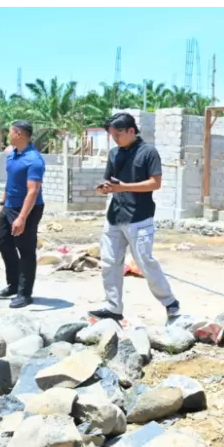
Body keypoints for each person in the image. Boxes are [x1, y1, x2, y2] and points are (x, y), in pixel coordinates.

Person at [88, 112, 180, 323]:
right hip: (114, 216)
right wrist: (105, 188)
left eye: (118, 134)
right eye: (112, 135)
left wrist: (123, 187)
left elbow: (155, 183)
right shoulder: (113, 154)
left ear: (131, 130)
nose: (115, 139)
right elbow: (110, 181)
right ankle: (113, 307)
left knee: (145, 262)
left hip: (139, 218)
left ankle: (170, 303)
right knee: (110, 263)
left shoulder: (148, 152)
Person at [0, 120, 45, 309]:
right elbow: (10, 182)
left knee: (25, 250)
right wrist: (3, 202)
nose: (8, 136)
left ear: (19, 134)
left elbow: (32, 191)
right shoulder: (12, 155)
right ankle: (14, 284)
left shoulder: (34, 159)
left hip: (27, 209)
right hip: (9, 206)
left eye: (10, 132)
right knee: (4, 243)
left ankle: (25, 293)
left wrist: (22, 217)